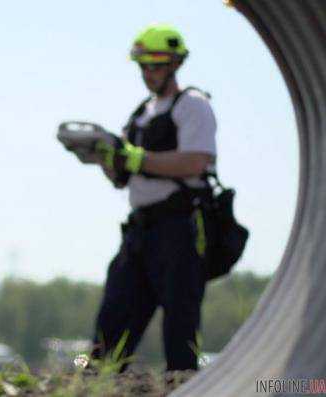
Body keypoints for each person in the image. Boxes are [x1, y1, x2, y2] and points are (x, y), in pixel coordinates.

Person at [90, 23, 217, 372]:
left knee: (180, 335)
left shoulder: (191, 105)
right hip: (139, 234)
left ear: (175, 63)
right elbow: (121, 177)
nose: (149, 73)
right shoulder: (141, 114)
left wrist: (138, 158)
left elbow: (196, 160)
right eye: (143, 65)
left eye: (156, 65)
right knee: (110, 331)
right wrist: (103, 157)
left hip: (178, 231)